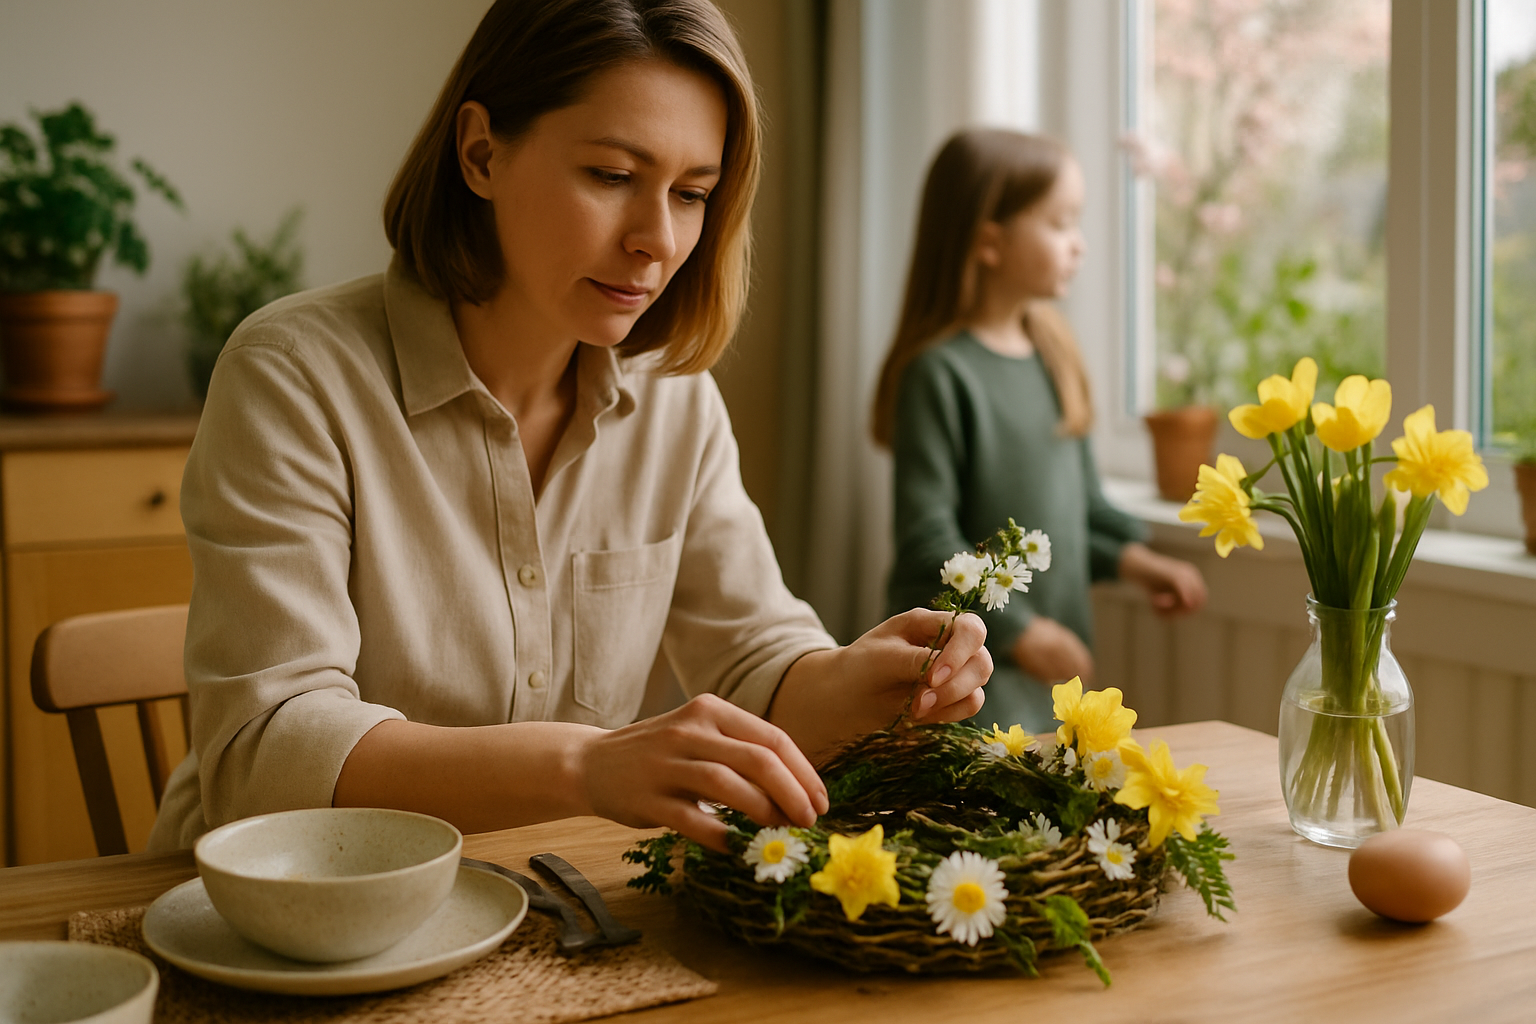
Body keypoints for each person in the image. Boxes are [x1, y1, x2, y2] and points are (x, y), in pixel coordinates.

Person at [149, 0, 994, 856]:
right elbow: (262, 756)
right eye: (612, 175)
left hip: (542, 902)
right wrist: (586, 767)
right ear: (481, 153)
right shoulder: (293, 375)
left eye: (693, 193)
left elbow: (754, 658)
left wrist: (856, 682)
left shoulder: (674, 400)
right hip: (277, 912)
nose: (657, 241)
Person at [872, 128, 1206, 734]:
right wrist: (1023, 633)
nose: (1079, 245)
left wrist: (1137, 562)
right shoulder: (939, 375)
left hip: (1045, 699)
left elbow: (1078, 515)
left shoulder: (1054, 355)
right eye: (1059, 223)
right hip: (959, 695)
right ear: (989, 241)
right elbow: (929, 546)